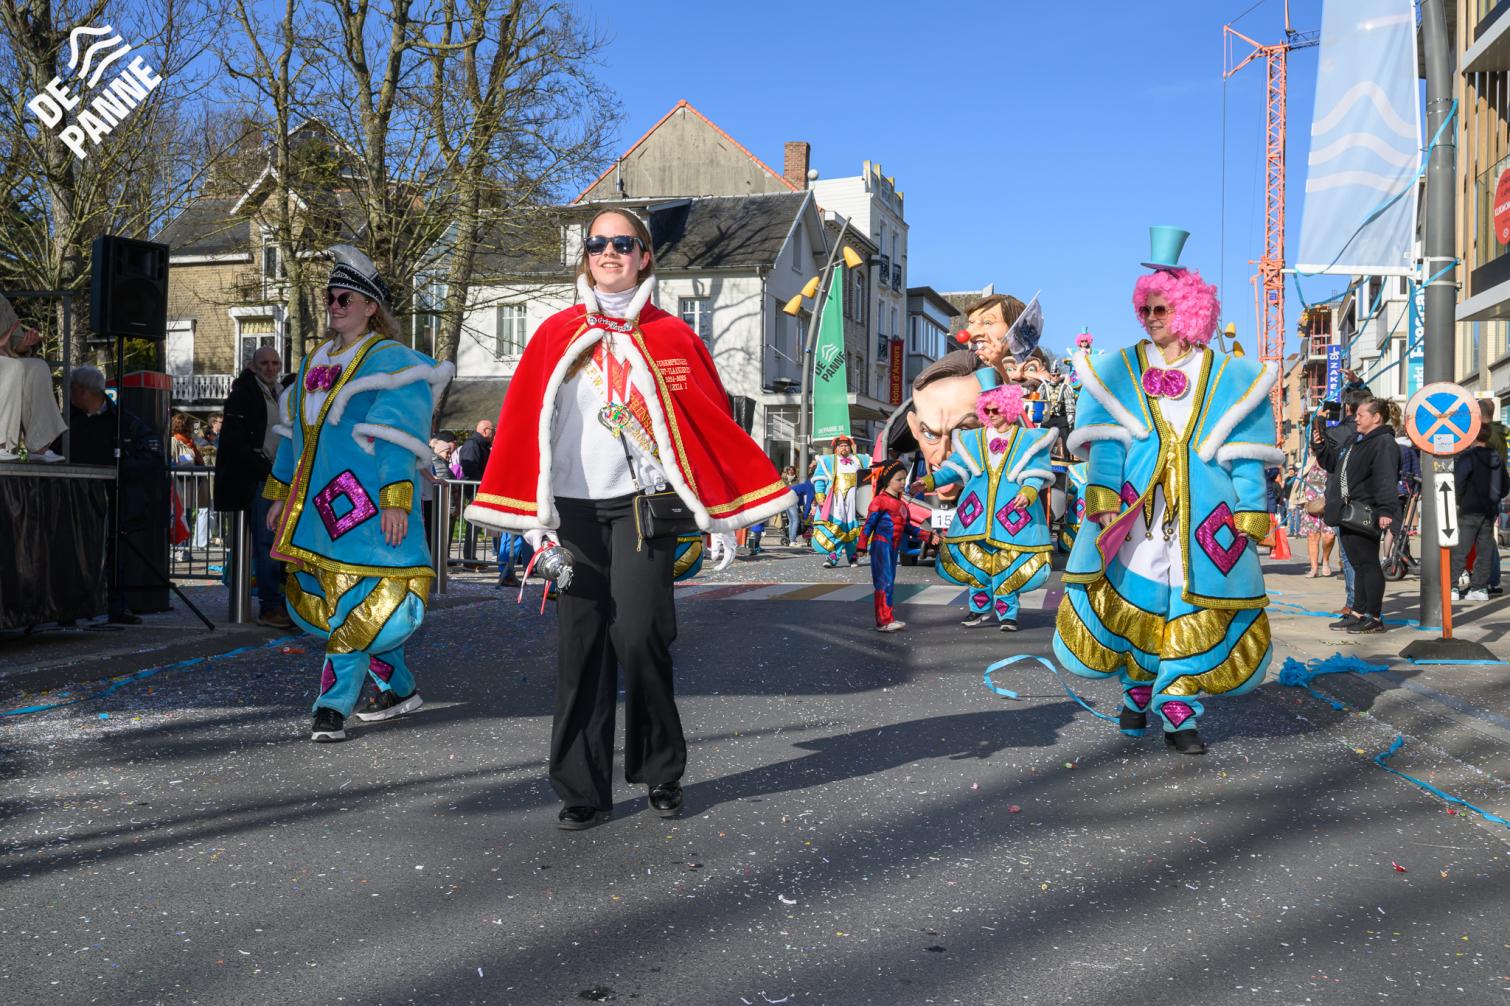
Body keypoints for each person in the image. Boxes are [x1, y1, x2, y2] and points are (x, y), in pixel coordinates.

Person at [463, 208, 792, 831]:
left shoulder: (673, 335)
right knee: (580, 647)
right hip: (573, 512)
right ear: (586, 256)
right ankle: (581, 788)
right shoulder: (554, 333)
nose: (609, 252)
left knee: (641, 637)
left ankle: (661, 769)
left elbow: (708, 426)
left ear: (644, 256)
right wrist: (535, 519)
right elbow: (526, 426)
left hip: (644, 507)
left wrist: (723, 517)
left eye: (623, 243)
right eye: (597, 244)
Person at [1053, 227, 1282, 755]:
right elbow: (1107, 444)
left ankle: (1179, 708)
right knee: (1140, 599)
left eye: (1161, 309)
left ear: (1189, 311)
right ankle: (1137, 690)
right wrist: (1103, 498)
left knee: (1193, 602)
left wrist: (1252, 509)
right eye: (1146, 310)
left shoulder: (1230, 374)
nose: (1151, 318)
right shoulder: (1119, 369)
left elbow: (1245, 454)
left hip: (1207, 517)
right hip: (1138, 513)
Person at [264, 245, 454, 743]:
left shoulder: (392, 362)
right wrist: (281, 494)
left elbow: (395, 437)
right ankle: (399, 690)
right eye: (330, 297)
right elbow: (294, 437)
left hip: (368, 507)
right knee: (341, 604)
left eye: (344, 297)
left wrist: (396, 500)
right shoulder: (313, 360)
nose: (334, 304)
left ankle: (331, 707)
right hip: (317, 511)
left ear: (371, 306)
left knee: (364, 602)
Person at [914, 376, 1056, 631]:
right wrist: (928, 482)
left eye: (996, 410)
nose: (990, 415)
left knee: (1008, 562)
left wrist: (1029, 491)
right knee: (977, 561)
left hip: (1013, 513)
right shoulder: (972, 439)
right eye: (987, 410)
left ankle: (1008, 614)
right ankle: (978, 609)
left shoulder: (1027, 439)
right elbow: (953, 470)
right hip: (975, 513)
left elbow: (1035, 472)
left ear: (1008, 408)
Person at [69, 365, 165, 624]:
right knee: (75, 552)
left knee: (115, 554)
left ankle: (116, 606)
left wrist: (119, 470)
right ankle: (72, 608)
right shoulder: (69, 420)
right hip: (77, 498)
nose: (69, 395)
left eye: (71, 389)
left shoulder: (124, 421)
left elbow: (153, 454)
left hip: (115, 498)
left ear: (82, 390)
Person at [215, 346, 292, 628]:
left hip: (278, 474)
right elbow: (236, 442)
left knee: (281, 541)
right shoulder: (244, 394)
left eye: (275, 363)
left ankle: (282, 602)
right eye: (264, 363)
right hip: (261, 477)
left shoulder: (281, 392)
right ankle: (270, 606)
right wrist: (265, 468)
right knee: (267, 541)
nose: (270, 368)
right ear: (252, 366)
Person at [1323, 398, 1399, 633]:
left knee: (1368, 564)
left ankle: (1374, 616)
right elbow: (1334, 465)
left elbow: (1386, 478)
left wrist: (1386, 510)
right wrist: (1320, 445)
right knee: (1358, 564)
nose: (1355, 419)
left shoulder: (1383, 442)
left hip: (1365, 511)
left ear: (1376, 417)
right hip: (1347, 510)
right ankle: (1357, 612)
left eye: (1361, 415)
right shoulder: (1357, 440)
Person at [1313, 387, 1371, 624]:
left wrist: (1320, 425)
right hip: (1364, 501)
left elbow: (1325, 458)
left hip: (1347, 502)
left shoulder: (1343, 433)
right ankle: (1360, 605)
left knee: (1351, 557)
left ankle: (1356, 605)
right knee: (1363, 557)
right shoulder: (1371, 435)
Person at [0, 292, 67, 462]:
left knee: (38, 367)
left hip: (6, 360)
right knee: (12, 367)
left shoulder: (1, 301)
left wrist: (24, 344)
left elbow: (15, 342)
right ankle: (1, 443)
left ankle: (39, 445)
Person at [1452, 424, 1505, 602]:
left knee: (1461, 548)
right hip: (1489, 510)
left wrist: (1460, 500)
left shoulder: (1468, 457)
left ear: (1472, 436)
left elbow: (1458, 482)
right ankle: (1479, 588)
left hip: (1470, 508)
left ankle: (1452, 586)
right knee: (1484, 549)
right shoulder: (1496, 457)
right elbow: (1505, 485)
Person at [859, 460, 912, 632]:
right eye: (899, 479)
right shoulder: (879, 501)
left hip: (893, 547)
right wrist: (861, 546)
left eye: (904, 479)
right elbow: (868, 525)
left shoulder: (902, 504)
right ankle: (884, 621)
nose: (903, 483)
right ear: (888, 480)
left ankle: (887, 619)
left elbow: (908, 527)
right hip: (881, 545)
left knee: (889, 582)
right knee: (884, 582)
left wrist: (929, 536)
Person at [811, 436, 871, 568]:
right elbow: (819, 480)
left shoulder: (860, 460)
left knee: (853, 528)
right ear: (836, 448)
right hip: (835, 502)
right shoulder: (827, 461)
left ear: (850, 447)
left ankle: (853, 557)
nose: (844, 448)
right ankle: (832, 557)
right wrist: (820, 496)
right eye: (841, 445)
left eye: (846, 445)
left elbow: (875, 468)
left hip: (855, 501)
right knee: (836, 528)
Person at [1295, 458, 1335, 577]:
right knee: (1312, 536)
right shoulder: (1308, 463)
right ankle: (1314, 568)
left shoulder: (1332, 460)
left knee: (1329, 537)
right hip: (1311, 506)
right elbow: (1299, 482)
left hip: (1329, 505)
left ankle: (1326, 560)